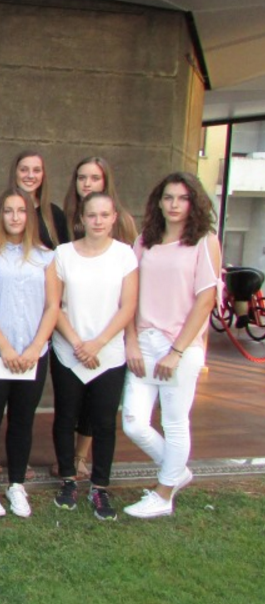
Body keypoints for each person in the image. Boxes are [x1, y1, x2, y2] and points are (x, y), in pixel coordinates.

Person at [121, 172, 220, 519]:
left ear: (194, 203)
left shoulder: (204, 241)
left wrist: (177, 352)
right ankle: (176, 470)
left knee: (175, 422)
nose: (175, 204)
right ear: (158, 202)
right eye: (168, 197)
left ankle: (163, 495)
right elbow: (129, 296)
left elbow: (205, 300)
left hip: (180, 346)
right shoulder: (144, 241)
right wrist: (131, 342)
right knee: (133, 422)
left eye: (182, 198)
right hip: (143, 344)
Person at [0, 189, 59, 518]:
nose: (15, 217)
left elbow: (53, 305)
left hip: (33, 353)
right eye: (8, 211)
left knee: (23, 420)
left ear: (30, 216)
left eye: (21, 211)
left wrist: (35, 347)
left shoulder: (46, 256)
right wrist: (4, 347)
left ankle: (16, 484)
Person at [50, 192, 138, 521]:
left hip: (108, 353)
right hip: (68, 350)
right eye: (92, 215)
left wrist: (97, 344)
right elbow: (54, 305)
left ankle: (100, 487)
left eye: (104, 215)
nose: (98, 221)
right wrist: (78, 344)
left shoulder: (125, 255)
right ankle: (68, 480)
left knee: (103, 423)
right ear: (81, 219)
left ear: (114, 218)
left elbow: (128, 306)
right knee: (65, 417)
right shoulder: (63, 254)